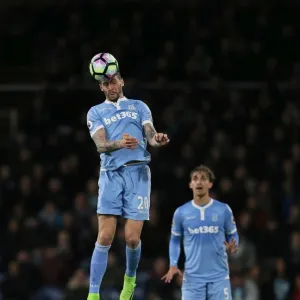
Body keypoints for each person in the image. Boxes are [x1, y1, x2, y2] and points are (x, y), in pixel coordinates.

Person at [86, 56, 170, 300]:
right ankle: (93, 294)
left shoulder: (139, 106)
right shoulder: (95, 112)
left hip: (138, 174)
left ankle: (129, 280)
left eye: (113, 81)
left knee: (132, 238)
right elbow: (100, 144)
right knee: (104, 236)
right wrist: (118, 143)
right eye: (105, 84)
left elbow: (150, 135)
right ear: (100, 87)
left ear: (121, 81)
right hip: (111, 175)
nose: (110, 87)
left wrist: (158, 140)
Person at [162, 165, 239, 300]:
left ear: (210, 184)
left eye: (203, 178)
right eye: (195, 179)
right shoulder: (181, 212)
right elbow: (174, 240)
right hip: (192, 279)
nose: (199, 181)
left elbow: (233, 235)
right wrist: (173, 264)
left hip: (219, 277)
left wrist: (233, 246)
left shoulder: (223, 210)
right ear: (190, 184)